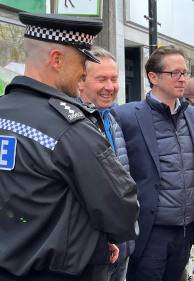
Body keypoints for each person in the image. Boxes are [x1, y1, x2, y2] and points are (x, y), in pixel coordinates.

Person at [0, 12, 139, 281]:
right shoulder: (69, 127)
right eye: (82, 62)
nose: (83, 71)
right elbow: (121, 210)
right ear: (56, 59)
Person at [110, 45, 194, 281]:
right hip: (150, 230)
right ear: (153, 77)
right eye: (174, 73)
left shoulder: (192, 114)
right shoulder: (126, 116)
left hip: (186, 229)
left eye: (184, 73)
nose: (182, 79)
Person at [78, 46, 133, 281]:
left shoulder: (112, 120)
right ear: (80, 81)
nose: (110, 86)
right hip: (91, 252)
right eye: (101, 79)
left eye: (114, 79)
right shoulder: (71, 126)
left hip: (121, 247)